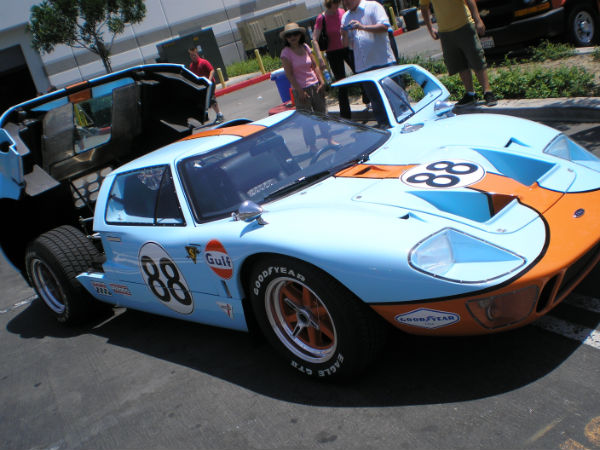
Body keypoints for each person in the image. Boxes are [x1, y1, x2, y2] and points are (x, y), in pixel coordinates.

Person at [420, 0, 497, 107]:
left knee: (476, 58)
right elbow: (424, 7)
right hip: (445, 31)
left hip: (465, 24)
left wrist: (477, 19)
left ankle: (488, 92)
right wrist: (430, 29)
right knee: (459, 63)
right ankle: (470, 94)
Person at [280, 22, 331, 153]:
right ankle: (312, 146)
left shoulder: (306, 47)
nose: (293, 37)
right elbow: (289, 75)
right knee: (307, 120)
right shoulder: (286, 53)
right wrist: (299, 91)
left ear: (300, 35)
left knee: (322, 114)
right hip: (300, 90)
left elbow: (314, 66)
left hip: (315, 86)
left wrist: (321, 81)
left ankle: (329, 138)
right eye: (289, 35)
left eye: (295, 34)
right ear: (286, 38)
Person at [312, 0, 355, 119]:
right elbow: (314, 39)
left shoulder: (342, 12)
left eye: (338, 2)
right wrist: (320, 58)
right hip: (333, 52)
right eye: (334, 3)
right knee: (342, 83)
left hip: (346, 48)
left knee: (359, 72)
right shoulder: (322, 18)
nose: (337, 5)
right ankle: (346, 116)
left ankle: (367, 96)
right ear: (329, 4)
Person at [341, 0, 396, 74]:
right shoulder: (345, 17)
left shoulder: (373, 6)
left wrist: (362, 27)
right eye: (343, 1)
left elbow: (384, 27)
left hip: (383, 62)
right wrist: (344, 34)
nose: (346, 2)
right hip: (363, 68)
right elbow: (345, 44)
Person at [187, 47, 225, 123]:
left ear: (197, 54)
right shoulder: (191, 66)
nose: (193, 57)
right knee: (203, 100)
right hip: (202, 85)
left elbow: (212, 70)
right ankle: (206, 116)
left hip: (210, 83)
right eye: (191, 55)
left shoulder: (203, 62)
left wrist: (209, 80)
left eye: (194, 55)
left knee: (211, 98)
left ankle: (220, 115)